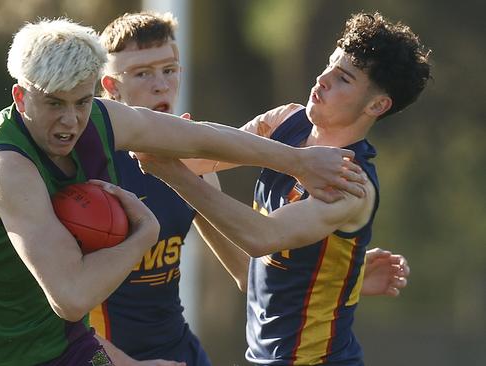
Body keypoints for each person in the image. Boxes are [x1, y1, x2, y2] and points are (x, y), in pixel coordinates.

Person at [0, 17, 367, 366]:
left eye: (80, 102)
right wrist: (142, 234)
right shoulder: (8, 170)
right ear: (21, 99)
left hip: (64, 346)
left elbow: (198, 138)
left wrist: (296, 161)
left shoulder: (100, 120)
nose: (71, 120)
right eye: (54, 104)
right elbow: (71, 296)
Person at [93, 11, 411, 366]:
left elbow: (259, 238)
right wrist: (344, 278)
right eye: (328, 65)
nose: (322, 79)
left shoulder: (351, 184)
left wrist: (172, 167)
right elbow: (205, 159)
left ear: (376, 105)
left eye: (343, 79)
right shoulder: (285, 121)